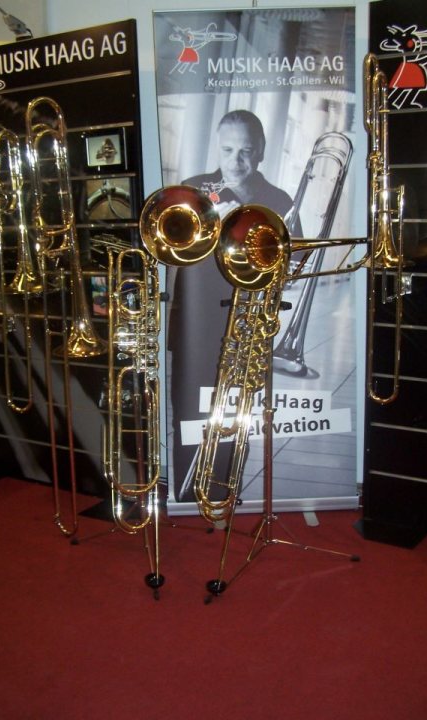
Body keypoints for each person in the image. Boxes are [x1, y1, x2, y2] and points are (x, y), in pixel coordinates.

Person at [168, 110, 301, 503]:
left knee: (235, 407)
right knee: (190, 405)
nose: (236, 160)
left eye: (246, 151)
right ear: (217, 147)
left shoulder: (280, 200)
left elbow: (291, 261)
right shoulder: (192, 191)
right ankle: (190, 489)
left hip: (248, 320)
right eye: (228, 149)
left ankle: (225, 484)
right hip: (196, 319)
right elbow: (173, 249)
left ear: (260, 152)